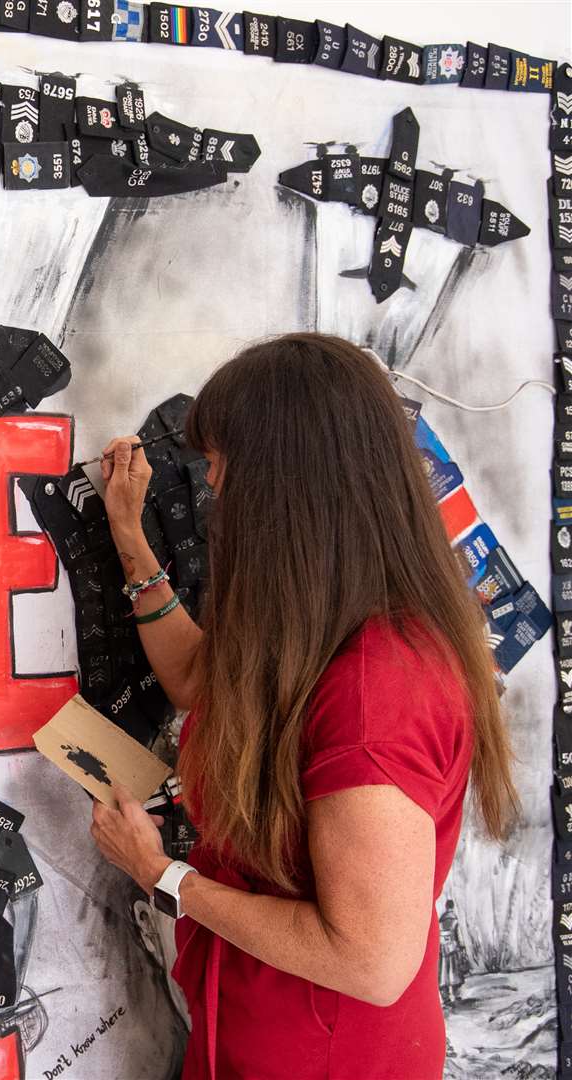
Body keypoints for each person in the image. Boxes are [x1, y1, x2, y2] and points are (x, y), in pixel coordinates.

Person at [85, 333, 518, 1079]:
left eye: (220, 475)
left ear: (284, 488)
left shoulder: (377, 688)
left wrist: (165, 876)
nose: (214, 501)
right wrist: (131, 536)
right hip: (261, 1038)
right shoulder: (327, 629)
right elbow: (198, 677)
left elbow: (370, 960)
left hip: (326, 1058)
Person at [437, 899, 468, 1006]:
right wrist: (462, 948)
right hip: (453, 950)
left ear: (446, 907)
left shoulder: (440, 922)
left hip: (442, 950)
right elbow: (459, 937)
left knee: (443, 974)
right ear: (452, 907)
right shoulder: (455, 921)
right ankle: (457, 995)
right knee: (454, 972)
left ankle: (445, 998)